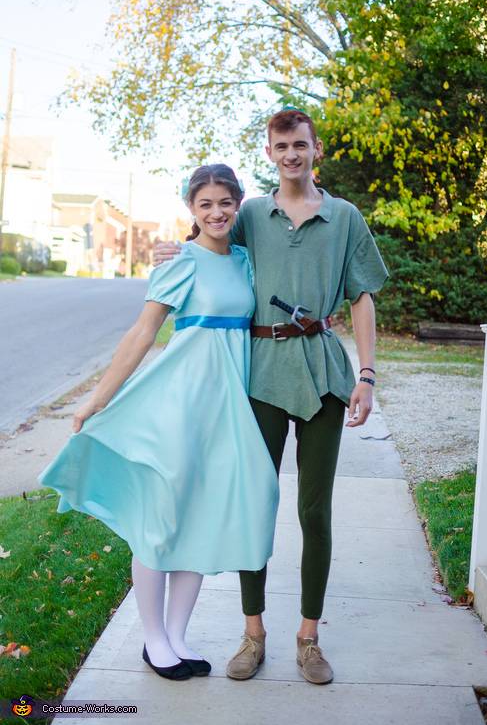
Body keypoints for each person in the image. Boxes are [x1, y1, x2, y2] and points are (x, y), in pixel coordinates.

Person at [153, 108, 389, 685]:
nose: (291, 154)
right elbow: (211, 241)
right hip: (260, 374)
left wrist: (366, 374)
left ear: (316, 149)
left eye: (300, 145)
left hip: (324, 374)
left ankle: (309, 638)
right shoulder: (254, 212)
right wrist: (173, 252)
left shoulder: (345, 216)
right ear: (269, 152)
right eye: (281, 145)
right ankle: (253, 632)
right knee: (254, 501)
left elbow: (362, 298)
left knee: (314, 509)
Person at [38, 164, 279, 682]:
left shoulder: (245, 262)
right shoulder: (179, 261)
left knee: (197, 517)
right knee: (161, 522)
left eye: (225, 203)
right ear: (191, 210)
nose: (217, 212)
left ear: (239, 205)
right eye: (205, 204)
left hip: (228, 408)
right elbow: (142, 334)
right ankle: (153, 640)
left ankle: (177, 637)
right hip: (179, 404)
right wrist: (97, 400)